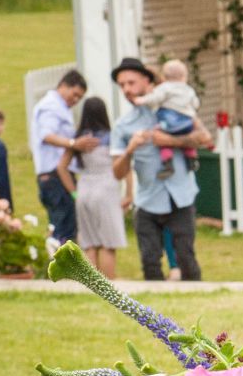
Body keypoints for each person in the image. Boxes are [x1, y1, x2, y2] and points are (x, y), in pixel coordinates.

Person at [109, 56, 211, 282]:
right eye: (122, 85)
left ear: (147, 81)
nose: (127, 89)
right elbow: (116, 172)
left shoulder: (175, 109)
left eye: (131, 83)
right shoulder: (123, 125)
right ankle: (155, 313)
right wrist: (130, 150)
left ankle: (199, 301)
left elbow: (204, 137)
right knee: (149, 260)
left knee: (186, 257)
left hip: (181, 196)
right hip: (147, 200)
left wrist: (169, 141)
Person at [57, 96, 127, 278]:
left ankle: (91, 288)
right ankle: (109, 288)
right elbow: (123, 166)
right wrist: (129, 193)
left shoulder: (79, 139)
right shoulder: (111, 138)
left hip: (84, 190)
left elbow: (61, 167)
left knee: (89, 243)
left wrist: (74, 193)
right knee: (107, 243)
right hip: (106, 189)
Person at [30, 68, 97, 244]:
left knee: (63, 227)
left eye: (79, 98)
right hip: (54, 177)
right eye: (74, 94)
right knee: (63, 230)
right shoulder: (51, 106)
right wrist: (74, 144)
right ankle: (60, 270)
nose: (75, 100)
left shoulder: (60, 107)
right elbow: (47, 134)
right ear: (63, 85)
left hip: (58, 176)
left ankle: (59, 267)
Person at [136, 58, 200, 168]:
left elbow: (154, 98)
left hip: (169, 121)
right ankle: (191, 156)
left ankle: (167, 159)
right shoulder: (189, 90)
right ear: (184, 77)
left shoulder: (164, 89)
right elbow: (196, 104)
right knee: (185, 133)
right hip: (186, 122)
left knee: (161, 132)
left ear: (163, 78)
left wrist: (140, 100)